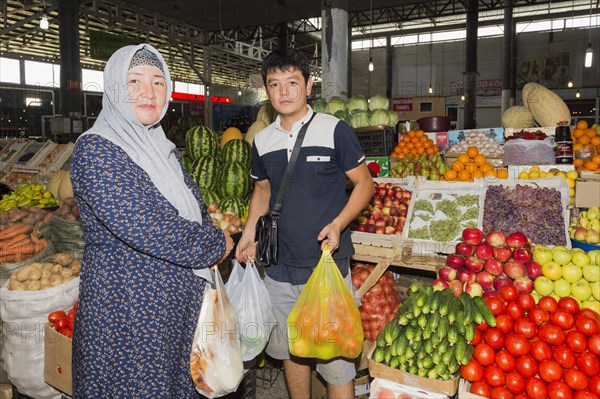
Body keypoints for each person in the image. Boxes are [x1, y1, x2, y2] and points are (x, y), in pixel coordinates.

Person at [70, 43, 233, 398]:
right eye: (134, 81)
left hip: (175, 309)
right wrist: (217, 243)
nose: (149, 92)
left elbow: (197, 209)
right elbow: (155, 228)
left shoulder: (161, 148)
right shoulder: (96, 150)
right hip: (130, 311)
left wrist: (211, 234)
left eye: (159, 82)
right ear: (113, 88)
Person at [235, 48, 374, 399]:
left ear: (309, 85)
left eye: (292, 82)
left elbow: (365, 184)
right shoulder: (262, 141)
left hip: (324, 265)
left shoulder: (334, 131)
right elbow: (262, 193)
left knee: (335, 359)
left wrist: (339, 223)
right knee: (290, 350)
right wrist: (249, 234)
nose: (284, 92)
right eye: (275, 84)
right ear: (267, 91)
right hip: (278, 268)